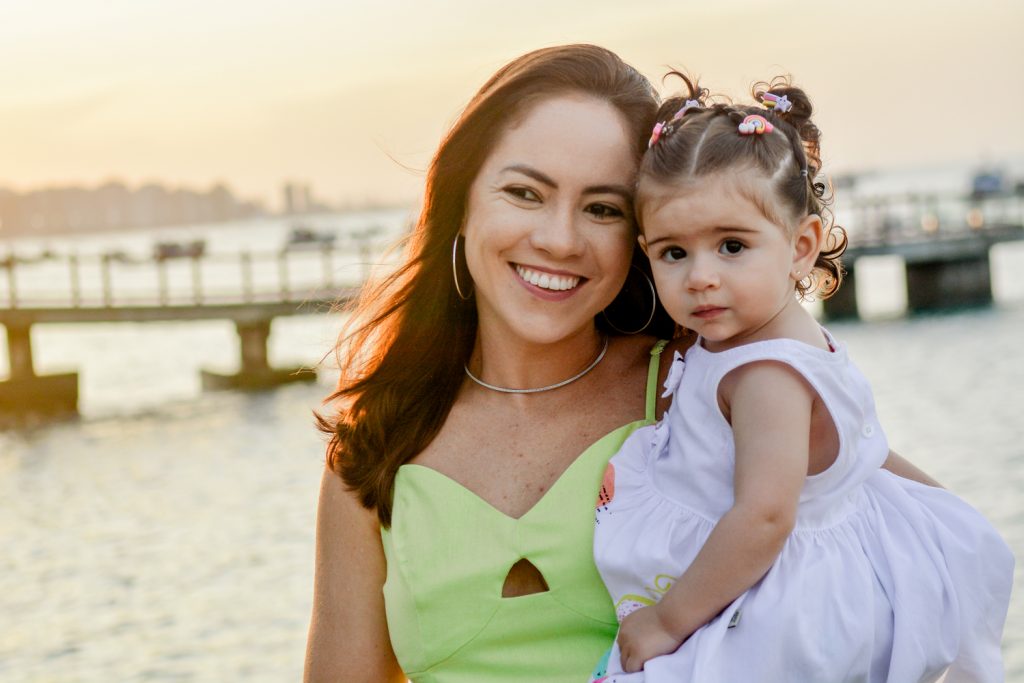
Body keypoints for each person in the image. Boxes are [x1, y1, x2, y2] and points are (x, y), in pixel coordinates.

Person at [303, 45, 941, 683]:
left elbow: (912, 535)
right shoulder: (376, 445)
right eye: (525, 192)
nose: (559, 239)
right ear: (460, 203)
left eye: (602, 208)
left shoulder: (700, 388)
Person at [590, 75, 1014, 683]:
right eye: (673, 253)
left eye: (731, 245)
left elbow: (764, 516)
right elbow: (867, 454)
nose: (701, 276)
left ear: (802, 245)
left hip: (778, 604)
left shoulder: (764, 373)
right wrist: (948, 508)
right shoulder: (771, 338)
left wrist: (667, 621)